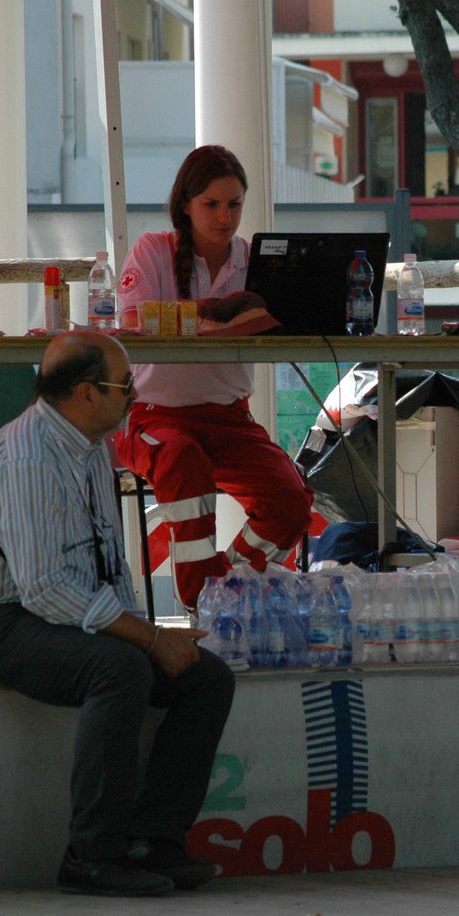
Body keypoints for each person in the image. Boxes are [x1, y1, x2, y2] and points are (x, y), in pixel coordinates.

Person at [0, 331, 235, 897]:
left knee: (207, 677)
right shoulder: (28, 456)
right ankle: (92, 854)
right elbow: (46, 589)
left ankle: (156, 841)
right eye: (125, 385)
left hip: (47, 612)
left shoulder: (92, 446)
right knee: (119, 669)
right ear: (85, 394)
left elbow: (109, 566)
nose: (135, 395)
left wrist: (151, 636)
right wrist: (147, 641)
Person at [115, 144, 314, 609]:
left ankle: (222, 591)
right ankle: (199, 602)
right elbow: (129, 320)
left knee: (290, 501)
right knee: (182, 458)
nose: (225, 216)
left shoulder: (259, 262)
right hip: (150, 416)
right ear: (184, 204)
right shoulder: (152, 250)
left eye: (234, 204)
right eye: (211, 204)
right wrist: (218, 316)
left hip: (229, 418)